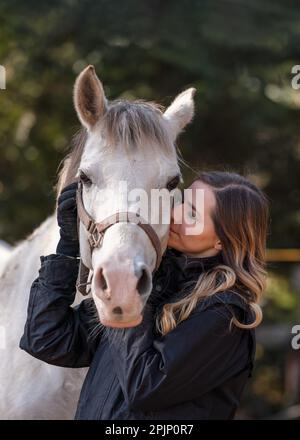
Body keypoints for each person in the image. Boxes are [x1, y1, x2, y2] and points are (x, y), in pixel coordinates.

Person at [20, 171, 269, 420]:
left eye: (192, 214)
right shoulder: (156, 282)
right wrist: (68, 247)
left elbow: (144, 386)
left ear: (222, 242)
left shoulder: (225, 316)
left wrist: (127, 296)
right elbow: (47, 339)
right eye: (182, 201)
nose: (175, 214)